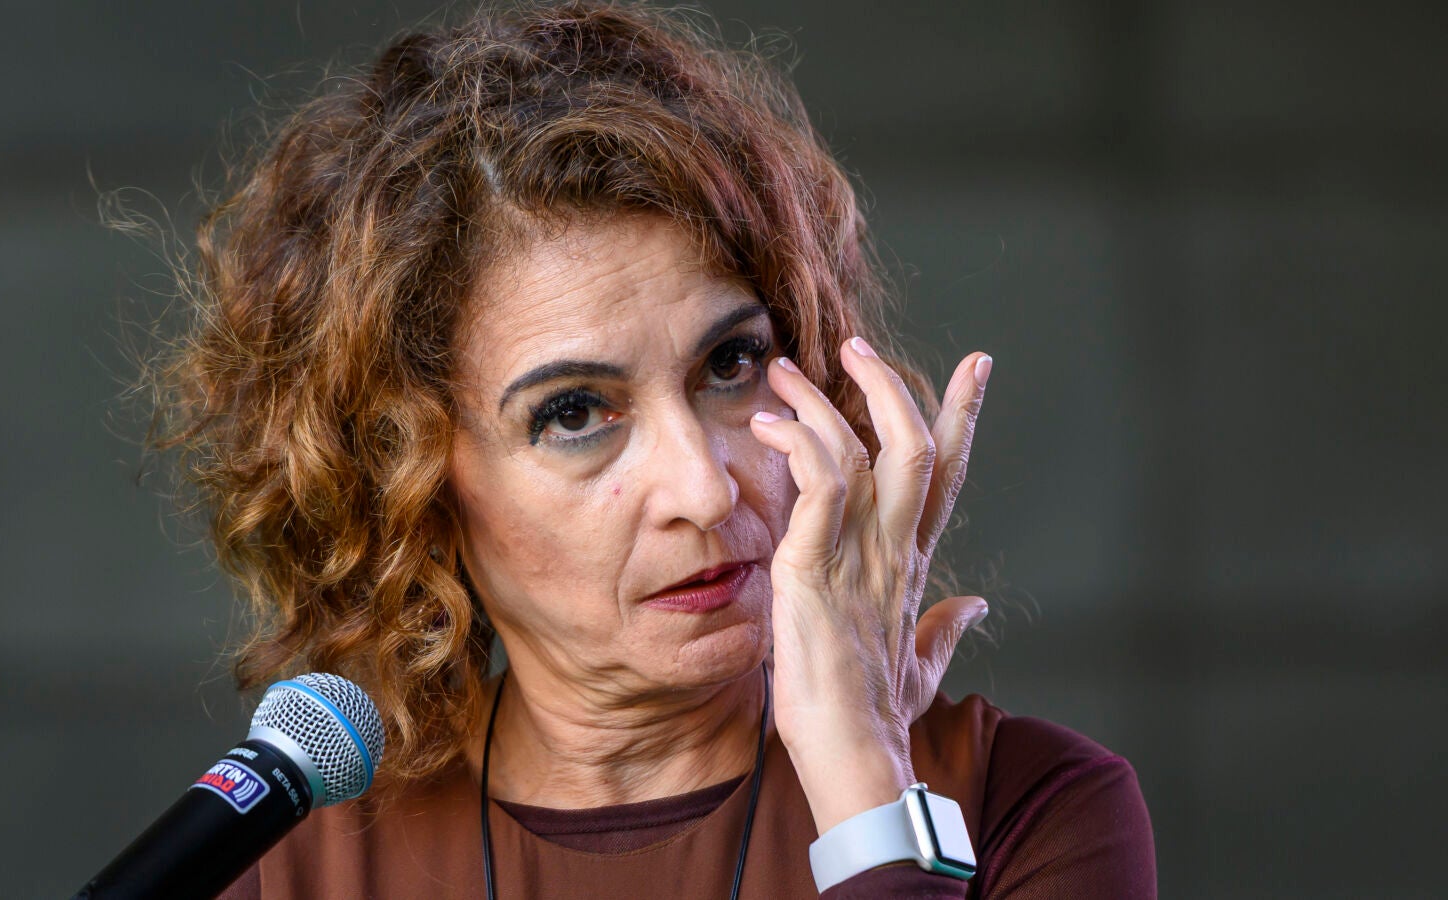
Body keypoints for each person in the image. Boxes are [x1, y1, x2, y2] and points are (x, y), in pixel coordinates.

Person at [142, 1, 1156, 896]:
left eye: (731, 364)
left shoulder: (1027, 805)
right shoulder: (282, 870)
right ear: (412, 484)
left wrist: (865, 788)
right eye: (575, 413)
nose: (704, 490)